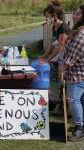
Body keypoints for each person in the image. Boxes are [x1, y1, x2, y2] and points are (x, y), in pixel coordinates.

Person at [59, 5, 84, 142]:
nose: (74, 16)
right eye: (75, 13)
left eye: (78, 14)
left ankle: (79, 127)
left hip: (77, 74)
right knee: (80, 100)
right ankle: (81, 125)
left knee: (73, 99)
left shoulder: (81, 36)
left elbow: (70, 59)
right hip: (79, 72)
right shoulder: (78, 32)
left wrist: (60, 71)